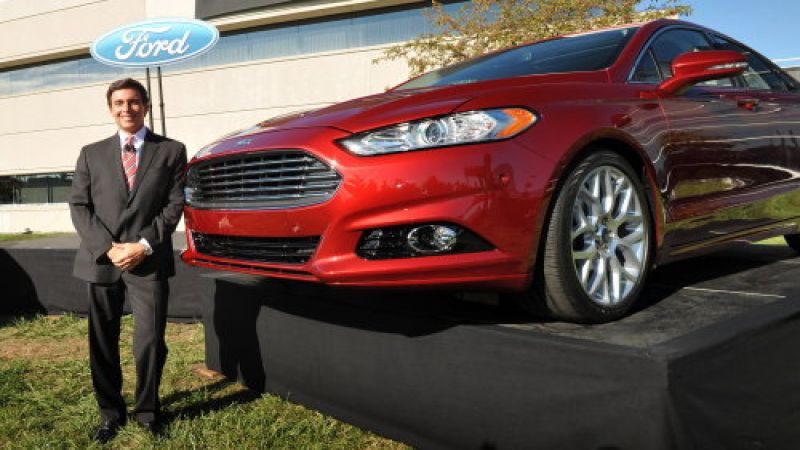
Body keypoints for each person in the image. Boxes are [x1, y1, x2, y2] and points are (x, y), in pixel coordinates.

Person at [69, 78, 187, 442]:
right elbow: (79, 205)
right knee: (102, 340)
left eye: (134, 101)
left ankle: (148, 413)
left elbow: (174, 204)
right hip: (101, 260)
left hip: (147, 261)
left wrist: (143, 245)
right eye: (119, 102)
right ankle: (110, 414)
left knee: (150, 341)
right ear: (110, 109)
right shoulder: (90, 153)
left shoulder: (171, 150)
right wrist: (108, 248)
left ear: (145, 106)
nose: (126, 108)